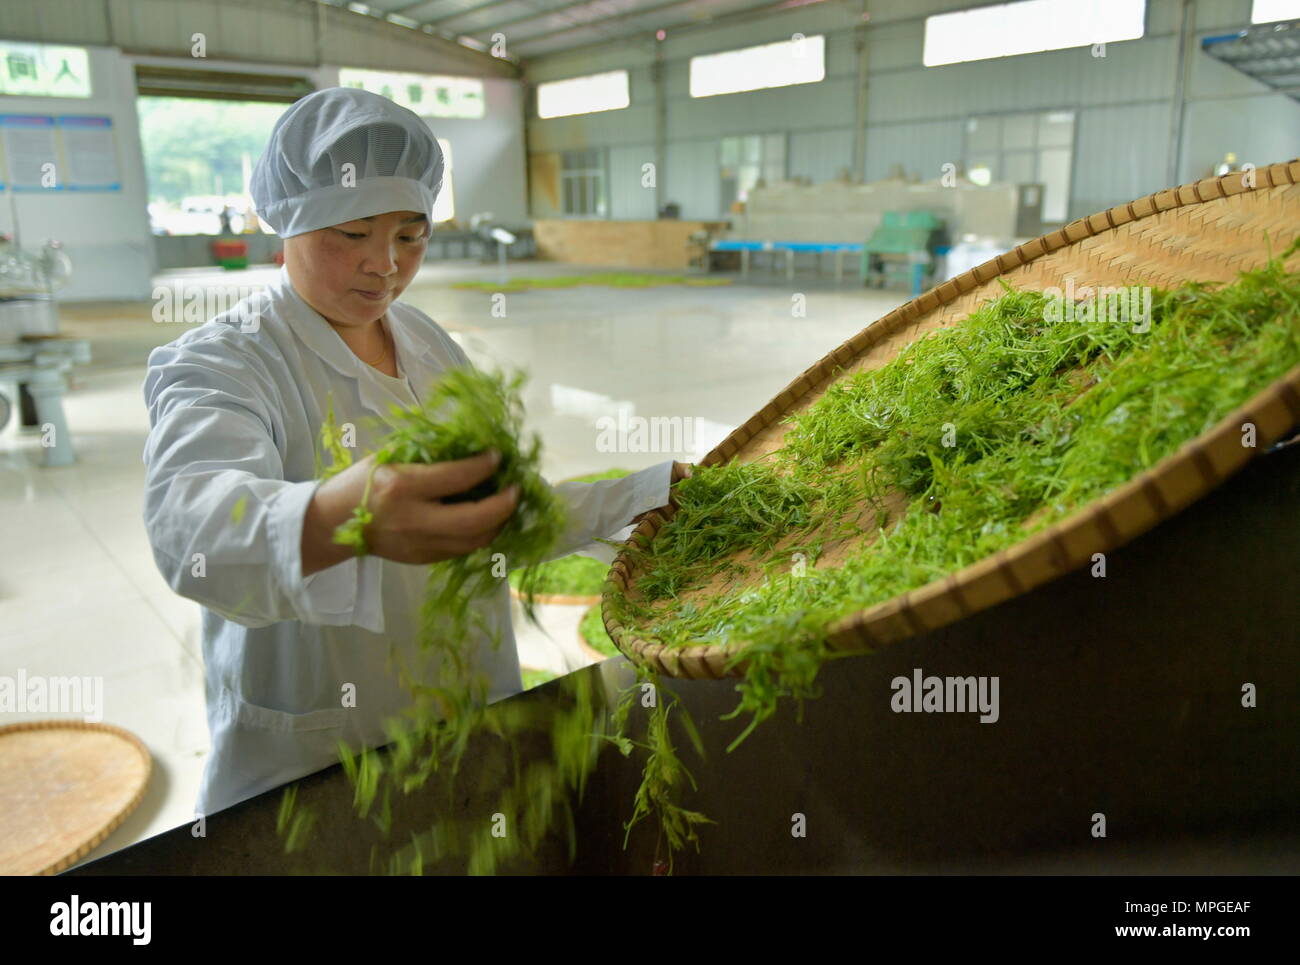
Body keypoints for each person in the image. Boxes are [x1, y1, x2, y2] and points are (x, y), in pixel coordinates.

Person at [142, 87, 687, 816]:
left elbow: (496, 511)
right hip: (314, 760)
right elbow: (192, 525)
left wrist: (642, 493)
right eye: (352, 232)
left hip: (467, 718)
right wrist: (342, 514)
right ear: (290, 221)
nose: (385, 267)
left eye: (410, 234)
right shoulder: (225, 361)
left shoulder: (427, 342)